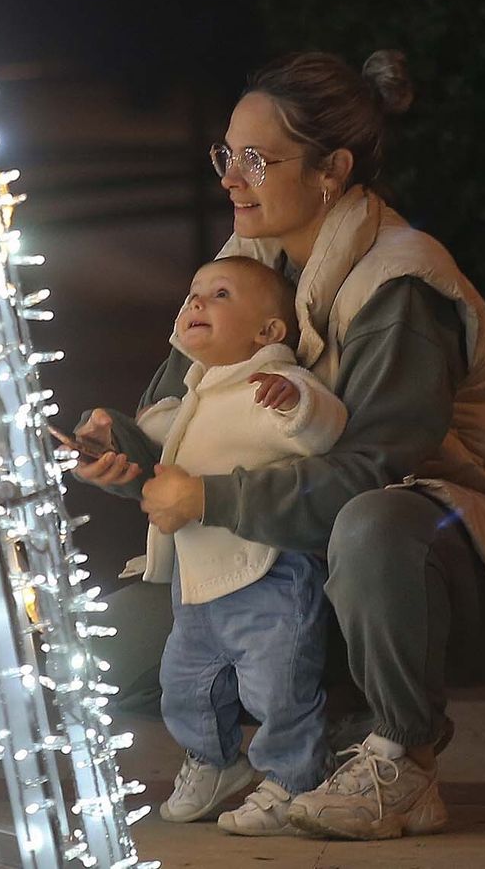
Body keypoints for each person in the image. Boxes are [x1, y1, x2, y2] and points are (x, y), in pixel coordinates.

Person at [72, 49, 485, 841]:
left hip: (469, 569)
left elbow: (374, 473)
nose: (231, 179)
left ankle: (402, 761)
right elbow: (180, 427)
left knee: (375, 523)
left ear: (331, 170)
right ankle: (321, 736)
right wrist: (122, 457)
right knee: (107, 654)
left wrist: (208, 499)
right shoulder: (238, 270)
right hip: (291, 562)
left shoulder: (402, 285)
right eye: (225, 156)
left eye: (256, 160)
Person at [76, 256, 346, 836]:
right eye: (193, 294)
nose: (197, 303)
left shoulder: (271, 385)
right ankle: (215, 761)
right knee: (186, 682)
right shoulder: (192, 395)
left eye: (219, 295)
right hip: (196, 581)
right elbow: (149, 447)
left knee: (279, 683)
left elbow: (325, 428)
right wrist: (107, 436)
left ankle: (294, 776)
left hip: (268, 569)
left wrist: (296, 402)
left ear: (268, 333)